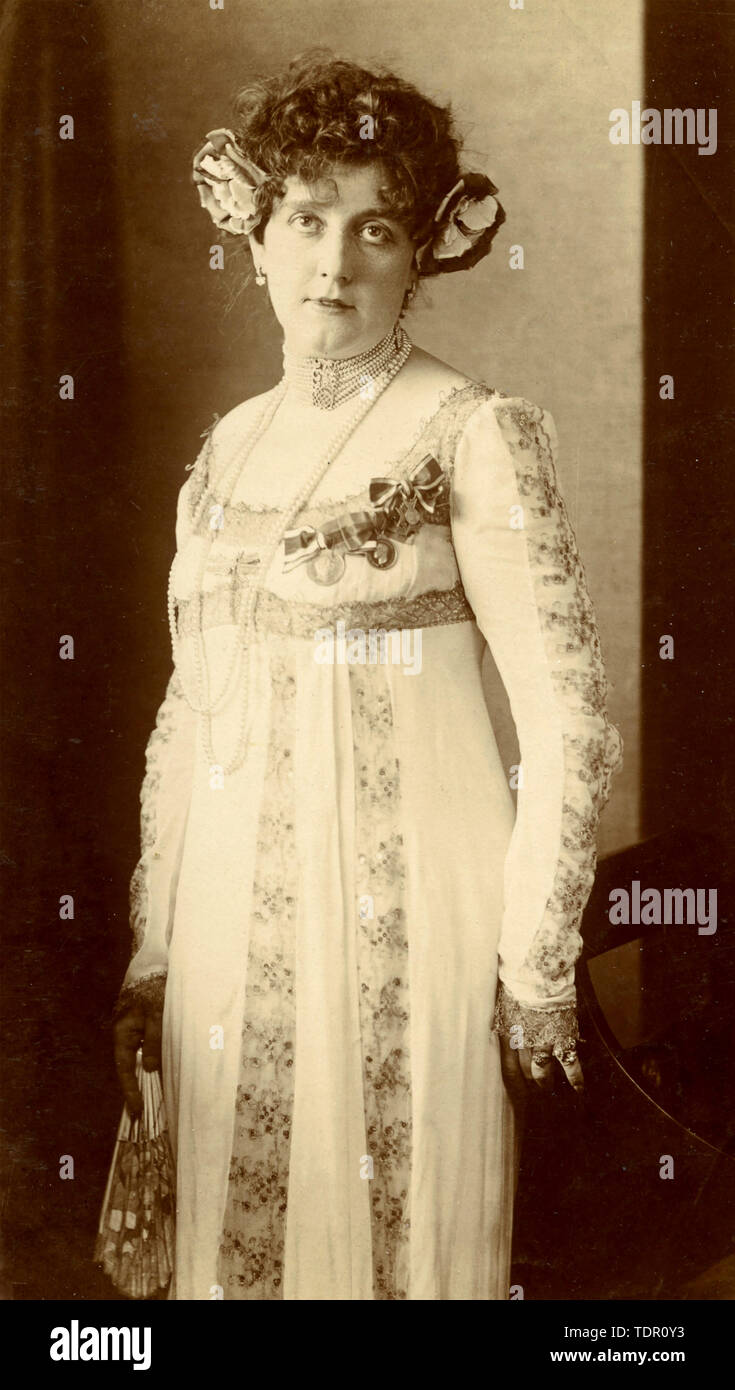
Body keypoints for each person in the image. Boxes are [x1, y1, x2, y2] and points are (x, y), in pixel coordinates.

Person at [110, 51, 623, 1301]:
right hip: (233, 924)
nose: (333, 263)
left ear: (426, 249)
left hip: (411, 917)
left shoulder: (472, 431)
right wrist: (156, 945)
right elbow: (191, 711)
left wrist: (535, 958)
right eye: (305, 219)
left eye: (375, 227)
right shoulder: (226, 447)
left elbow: (569, 721)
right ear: (256, 232)